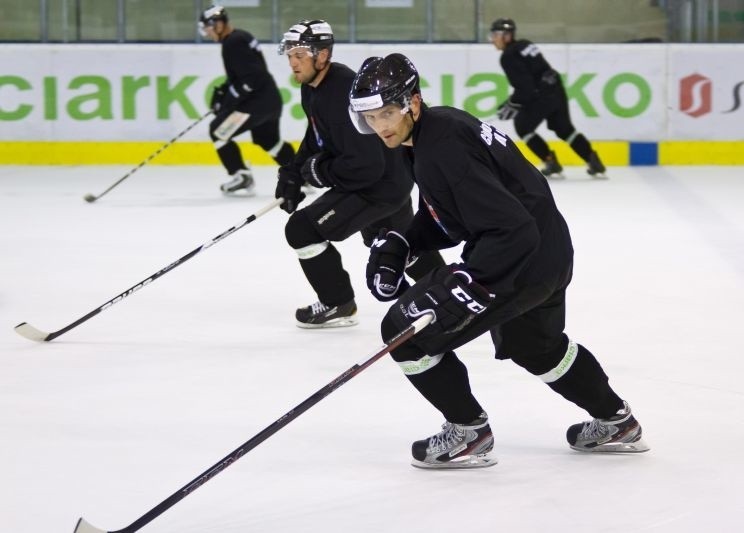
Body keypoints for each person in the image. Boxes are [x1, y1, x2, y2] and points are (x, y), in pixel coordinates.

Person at [348, 53, 648, 469]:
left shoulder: (441, 149)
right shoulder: (434, 132)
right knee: (535, 345)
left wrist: (473, 281)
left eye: (387, 113)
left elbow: (511, 227)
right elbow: (453, 216)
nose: (380, 126)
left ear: (412, 103)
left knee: (405, 333)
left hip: (519, 258)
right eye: (371, 117)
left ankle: (468, 432)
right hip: (547, 251)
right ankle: (617, 421)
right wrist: (402, 241)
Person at [274, 20, 444, 328]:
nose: (293, 62)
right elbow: (316, 137)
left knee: (301, 230)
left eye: (299, 54)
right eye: (290, 54)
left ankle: (337, 302)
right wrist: (293, 173)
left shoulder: (342, 91)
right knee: (401, 242)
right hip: (390, 181)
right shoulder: (313, 89)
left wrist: (319, 172)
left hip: (376, 184)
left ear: (322, 55)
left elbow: (364, 165)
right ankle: (444, 294)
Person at [490, 18, 607, 180]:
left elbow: (526, 88)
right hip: (556, 88)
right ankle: (592, 159)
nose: (493, 39)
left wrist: (512, 103)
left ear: (506, 36)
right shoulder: (525, 44)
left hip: (541, 95)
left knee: (523, 127)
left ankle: (550, 162)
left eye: (496, 34)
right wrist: (514, 102)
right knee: (564, 129)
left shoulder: (508, 56)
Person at [199, 5, 295, 195]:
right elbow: (243, 75)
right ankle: (300, 174)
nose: (208, 33)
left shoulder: (233, 42)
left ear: (218, 23)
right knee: (268, 140)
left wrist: (227, 101)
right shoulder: (241, 36)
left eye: (208, 28)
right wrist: (225, 92)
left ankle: (241, 176)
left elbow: (251, 79)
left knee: (218, 131)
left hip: (255, 104)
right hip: (270, 100)